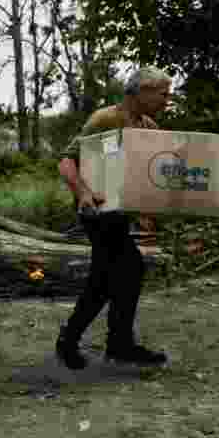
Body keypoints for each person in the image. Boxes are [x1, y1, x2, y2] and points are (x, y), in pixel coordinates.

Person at [54, 67, 172, 369]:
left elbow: (149, 175)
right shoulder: (106, 119)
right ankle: (107, 343)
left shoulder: (148, 127)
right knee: (119, 272)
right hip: (97, 209)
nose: (167, 100)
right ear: (141, 91)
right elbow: (67, 162)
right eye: (163, 93)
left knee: (116, 275)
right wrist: (82, 193)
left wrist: (147, 212)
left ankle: (100, 342)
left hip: (120, 212)